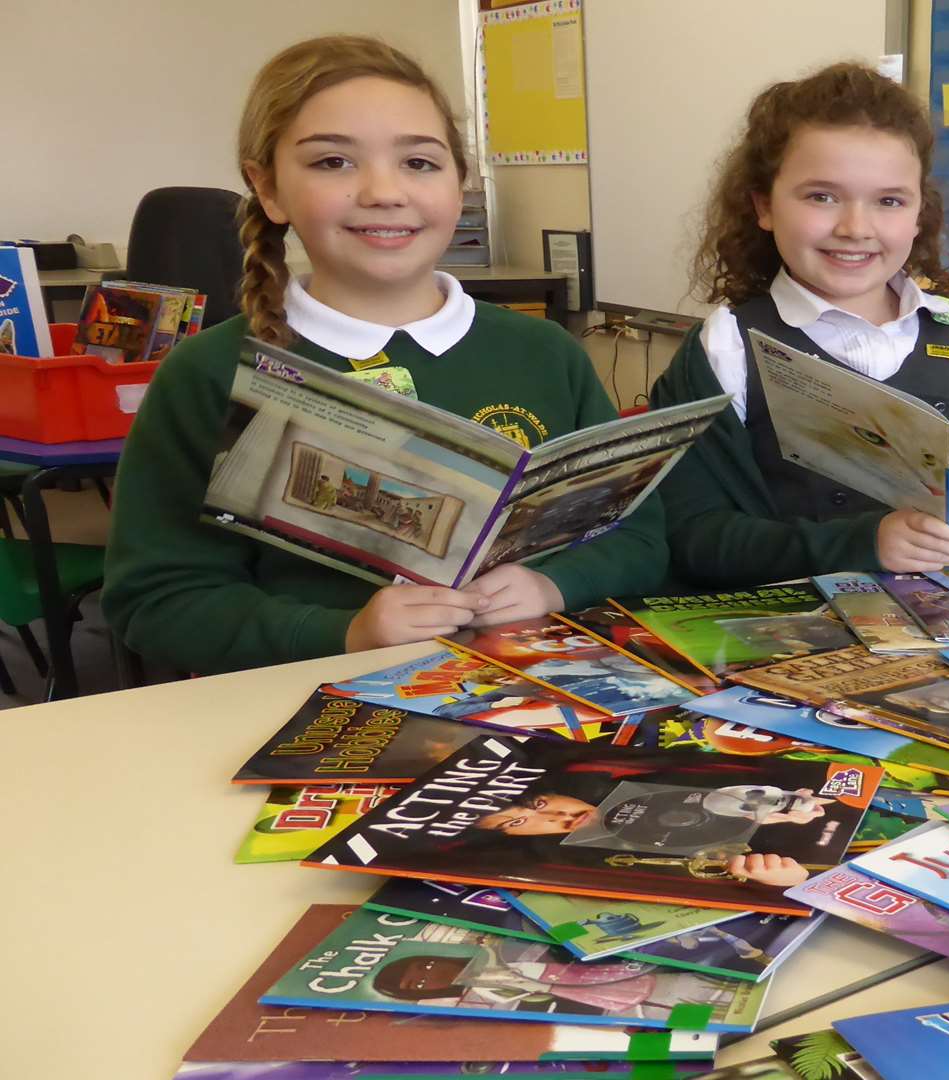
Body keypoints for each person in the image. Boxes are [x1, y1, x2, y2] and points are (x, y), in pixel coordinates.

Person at [102, 36, 669, 673]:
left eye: (419, 163)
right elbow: (156, 600)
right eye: (333, 162)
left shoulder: (546, 354)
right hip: (303, 710)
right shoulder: (208, 372)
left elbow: (639, 536)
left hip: (525, 699)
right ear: (269, 189)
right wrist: (343, 632)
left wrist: (550, 586)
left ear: (461, 183)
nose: (383, 191)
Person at [648, 62, 949, 587]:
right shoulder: (725, 344)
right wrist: (863, 543)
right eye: (822, 196)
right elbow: (690, 535)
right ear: (764, 206)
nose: (855, 228)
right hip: (793, 638)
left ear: (918, 215)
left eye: (889, 201)